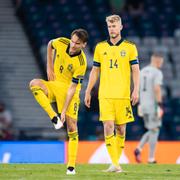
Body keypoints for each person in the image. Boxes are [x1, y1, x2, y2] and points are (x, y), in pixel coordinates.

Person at [84, 14, 140, 172]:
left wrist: (135, 90)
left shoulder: (129, 47)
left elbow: (135, 70)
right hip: (105, 94)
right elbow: (95, 71)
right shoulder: (100, 47)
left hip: (122, 95)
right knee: (108, 126)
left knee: (121, 129)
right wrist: (88, 91)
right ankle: (115, 163)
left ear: (120, 27)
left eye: (114, 26)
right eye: (109, 26)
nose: (112, 29)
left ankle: (116, 162)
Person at [29, 29, 88, 175]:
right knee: (34, 83)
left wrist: (63, 110)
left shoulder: (81, 63)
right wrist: (49, 66)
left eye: (77, 43)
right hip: (55, 84)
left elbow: (72, 89)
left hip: (70, 92)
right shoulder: (62, 42)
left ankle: (71, 166)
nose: (73, 45)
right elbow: (50, 44)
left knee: (72, 127)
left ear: (84, 45)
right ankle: (53, 118)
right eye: (72, 41)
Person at [134, 53, 164, 163]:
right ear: (157, 60)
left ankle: (138, 149)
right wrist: (160, 104)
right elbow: (157, 88)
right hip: (152, 105)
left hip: (142, 105)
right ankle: (151, 158)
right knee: (155, 130)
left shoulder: (142, 71)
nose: (162, 63)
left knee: (151, 129)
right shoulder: (157, 72)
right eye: (161, 61)